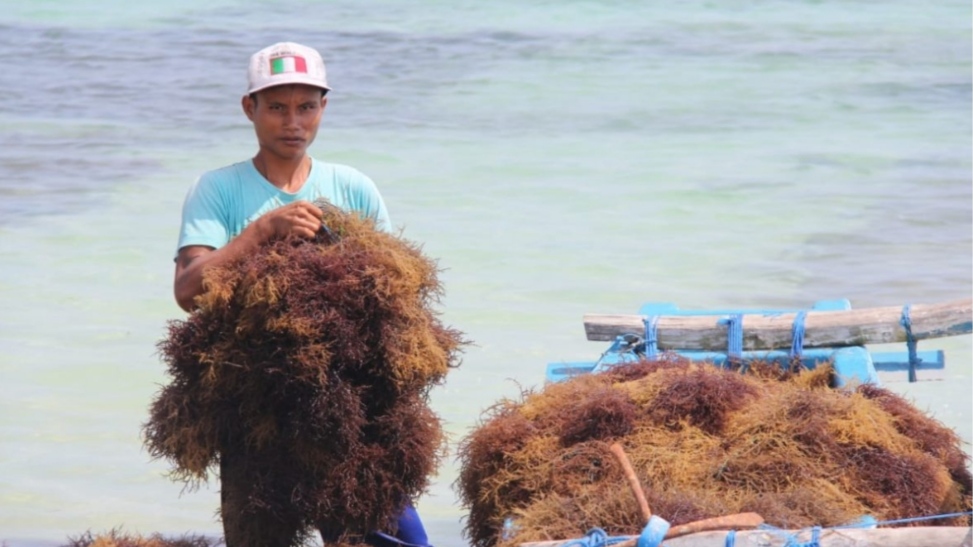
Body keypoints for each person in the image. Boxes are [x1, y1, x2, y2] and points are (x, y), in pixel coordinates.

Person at [172, 41, 431, 547]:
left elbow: (396, 290)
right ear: (249, 108)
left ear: (323, 108)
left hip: (351, 411)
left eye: (306, 107)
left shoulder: (352, 188)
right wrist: (261, 231)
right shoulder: (217, 189)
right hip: (255, 410)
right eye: (276, 107)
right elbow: (188, 289)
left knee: (400, 540)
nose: (293, 122)